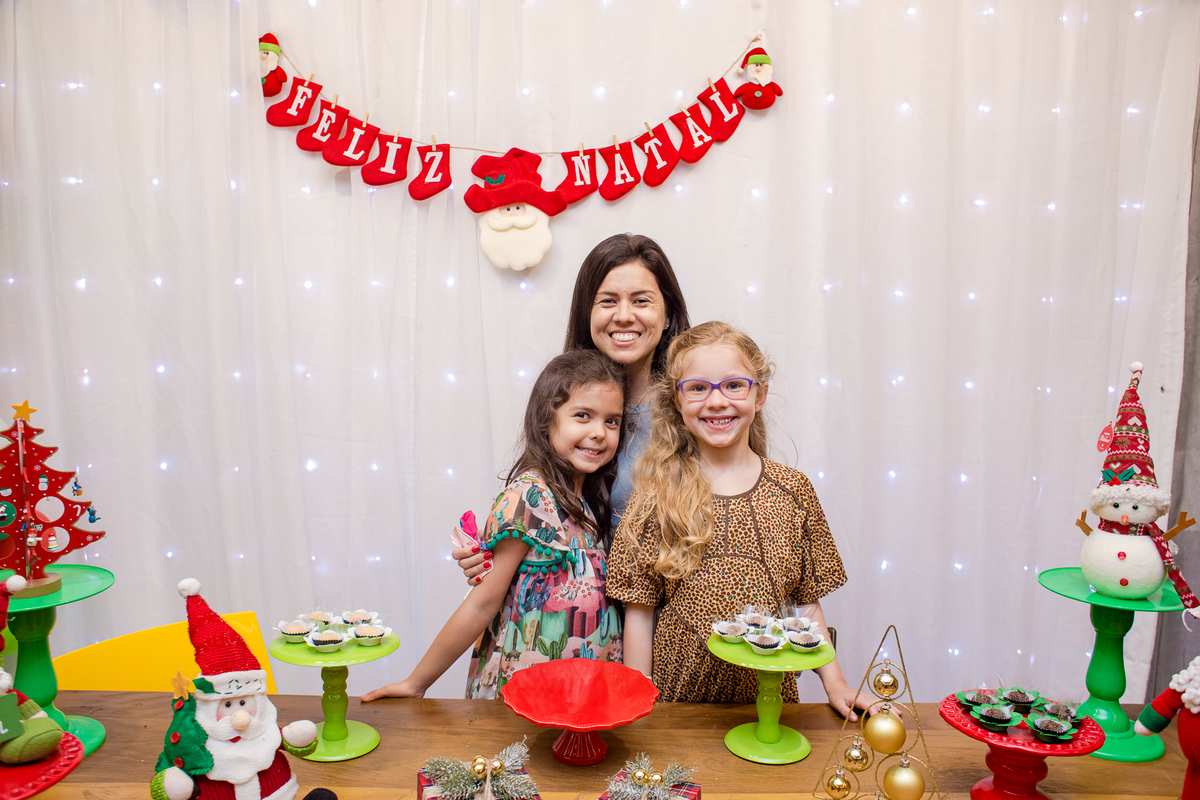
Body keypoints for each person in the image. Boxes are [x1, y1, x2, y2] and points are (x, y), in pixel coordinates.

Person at [606, 321, 867, 718]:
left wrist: (836, 683)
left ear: (759, 395)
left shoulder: (793, 490)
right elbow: (639, 612)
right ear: (677, 400)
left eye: (733, 385)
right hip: (679, 706)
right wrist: (639, 703)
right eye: (698, 388)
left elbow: (806, 606)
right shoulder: (655, 497)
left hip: (769, 704)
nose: (716, 401)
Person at [362, 350, 627, 701]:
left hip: (583, 692)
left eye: (612, 421)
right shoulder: (529, 497)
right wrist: (417, 683)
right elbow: (481, 604)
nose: (599, 433)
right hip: (525, 694)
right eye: (583, 416)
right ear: (546, 419)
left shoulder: (589, 503)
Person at [453, 233, 691, 581]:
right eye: (608, 301)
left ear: (668, 313)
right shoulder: (563, 403)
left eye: (641, 301)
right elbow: (538, 512)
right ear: (586, 313)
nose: (624, 316)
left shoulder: (694, 407)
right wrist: (496, 553)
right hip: (588, 610)